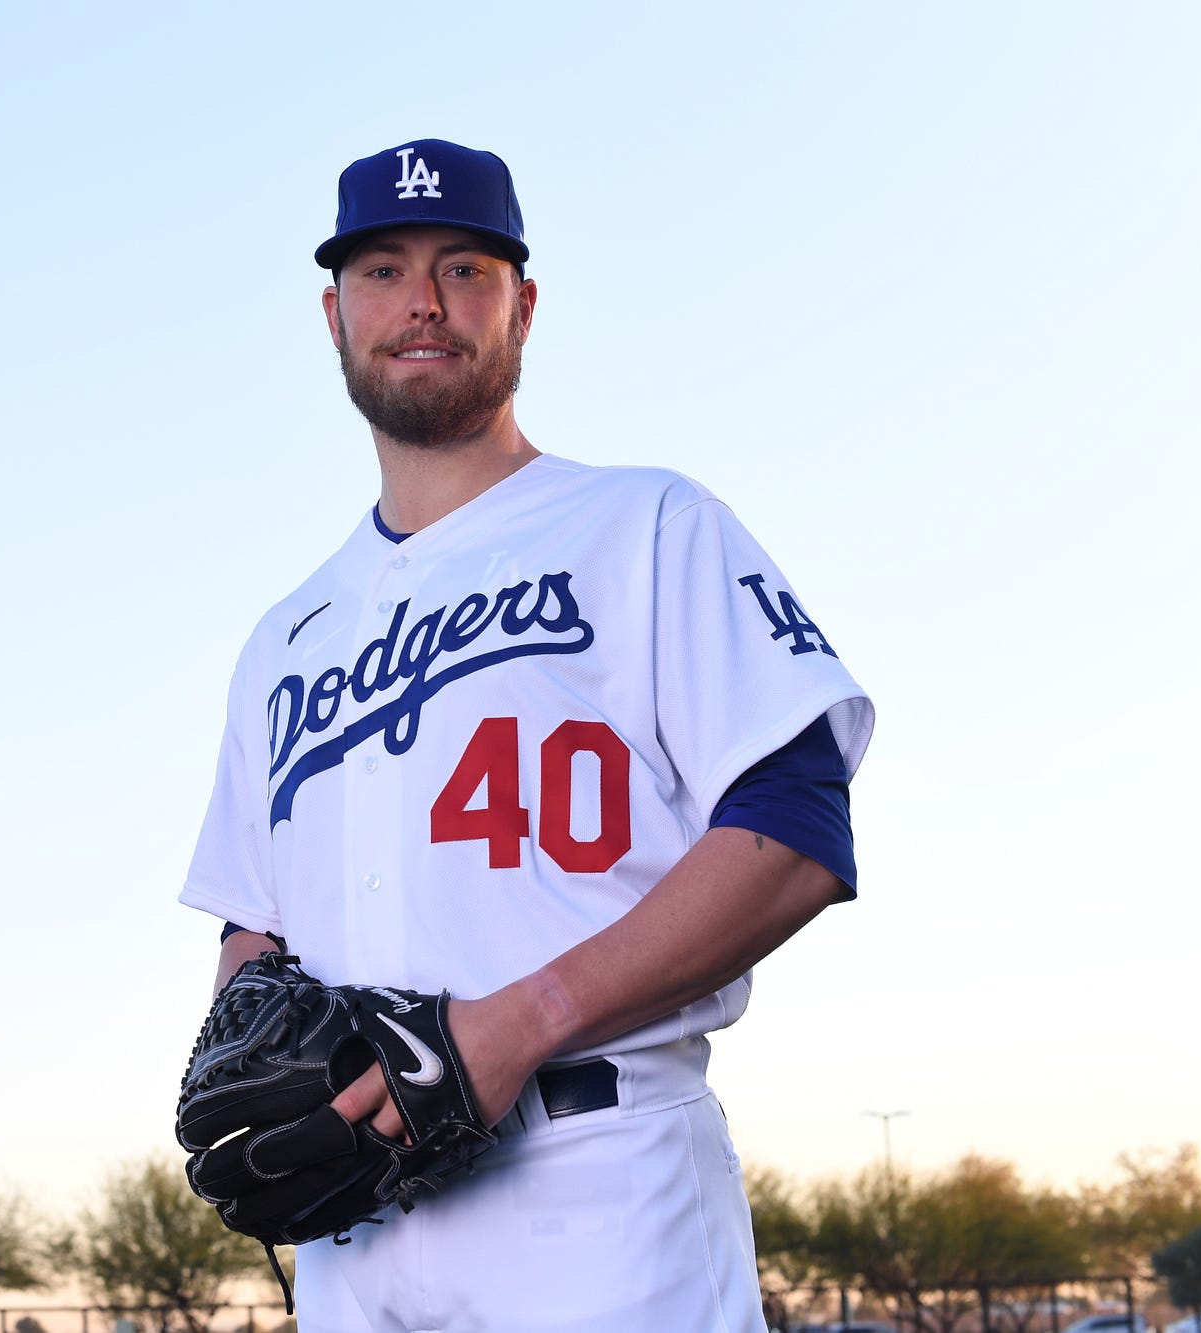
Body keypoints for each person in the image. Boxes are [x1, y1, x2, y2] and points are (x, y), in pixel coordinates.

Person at [177, 138, 875, 1331]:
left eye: (463, 268)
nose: (423, 303)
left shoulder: (647, 524)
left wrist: (517, 1023)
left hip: (596, 1186)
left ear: (522, 305)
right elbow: (257, 918)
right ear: (334, 314)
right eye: (383, 271)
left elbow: (795, 824)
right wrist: (258, 1056)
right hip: (360, 1226)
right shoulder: (282, 638)